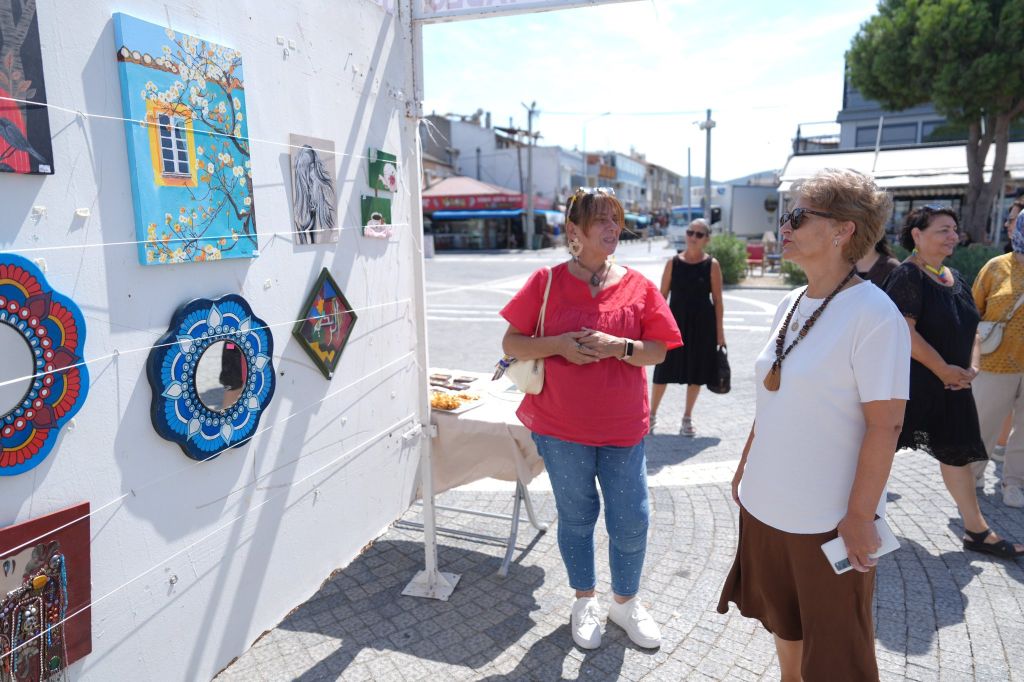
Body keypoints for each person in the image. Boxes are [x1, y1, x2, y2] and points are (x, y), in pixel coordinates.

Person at [718, 169, 910, 681]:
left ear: (844, 229)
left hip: (826, 519)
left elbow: (886, 426)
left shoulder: (875, 314)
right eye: (787, 215)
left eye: (799, 216)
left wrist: (860, 516)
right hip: (766, 504)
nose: (785, 225)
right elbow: (774, 395)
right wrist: (746, 465)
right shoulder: (791, 302)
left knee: (838, 652)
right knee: (785, 622)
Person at [500, 187, 682, 651]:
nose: (612, 227)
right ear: (574, 231)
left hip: (623, 427)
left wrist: (620, 347)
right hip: (560, 427)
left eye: (615, 219)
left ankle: (625, 602)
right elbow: (512, 343)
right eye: (600, 219)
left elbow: (659, 350)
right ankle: (584, 599)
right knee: (577, 518)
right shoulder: (546, 281)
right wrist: (560, 345)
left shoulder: (639, 286)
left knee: (632, 519)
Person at [882, 206, 1024, 558]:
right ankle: (854, 515)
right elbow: (904, 333)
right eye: (943, 230)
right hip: (912, 386)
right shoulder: (907, 276)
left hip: (954, 386)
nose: (953, 236)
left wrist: (971, 368)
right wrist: (944, 369)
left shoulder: (955, 277)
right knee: (879, 449)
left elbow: (974, 328)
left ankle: (976, 530)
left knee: (957, 454)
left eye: (954, 229)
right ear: (917, 235)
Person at [650, 218, 724, 436]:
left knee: (696, 372)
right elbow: (661, 298)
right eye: (690, 232)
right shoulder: (673, 263)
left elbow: (718, 301)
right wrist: (655, 327)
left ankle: (687, 418)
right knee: (662, 370)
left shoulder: (712, 265)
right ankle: (651, 416)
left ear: (707, 239)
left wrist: (720, 334)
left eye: (699, 234)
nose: (693, 237)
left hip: (703, 327)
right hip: (674, 326)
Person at [971, 211, 1024, 507]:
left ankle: (1014, 483)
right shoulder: (996, 267)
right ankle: (972, 474)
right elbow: (973, 311)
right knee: (984, 424)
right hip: (995, 362)